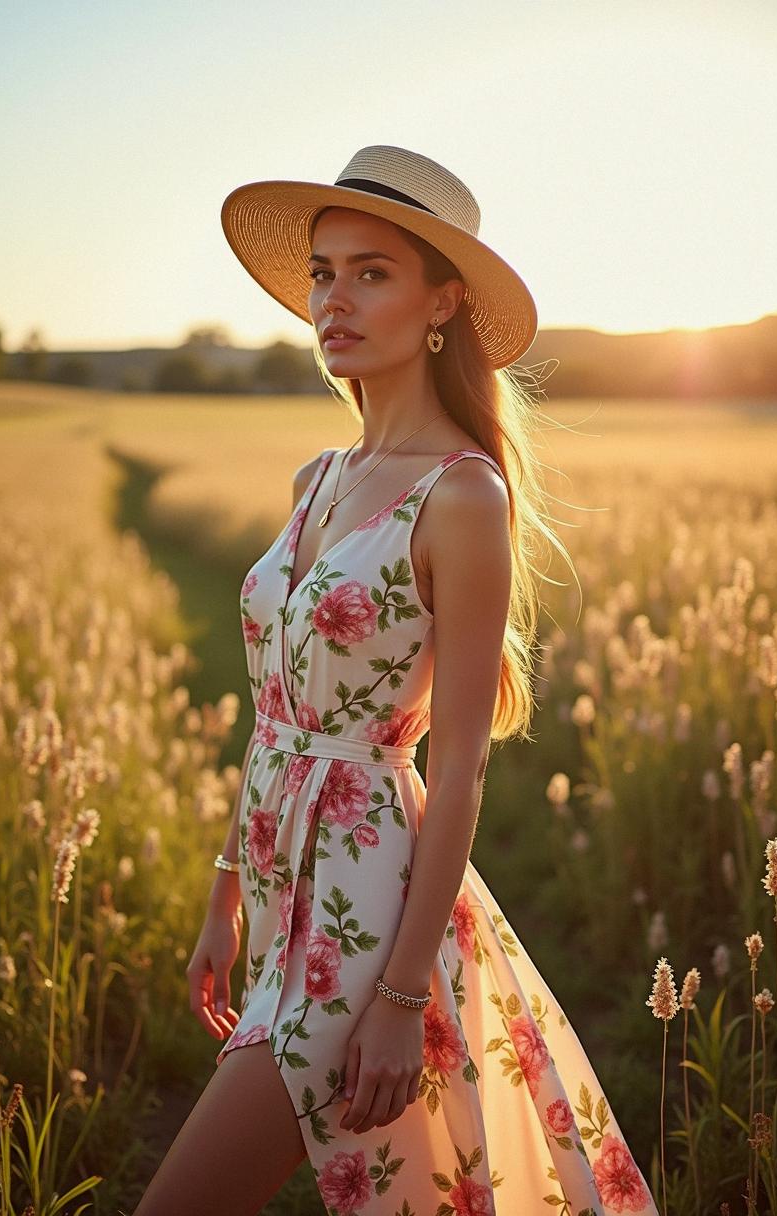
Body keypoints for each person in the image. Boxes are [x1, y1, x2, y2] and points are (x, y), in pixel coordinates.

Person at [133, 146, 659, 1216]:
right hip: (280, 888)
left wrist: (402, 997)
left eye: (371, 272)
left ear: (440, 303)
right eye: (324, 272)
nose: (334, 298)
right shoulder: (315, 475)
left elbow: (459, 761)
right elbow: (275, 717)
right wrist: (224, 896)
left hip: (365, 901)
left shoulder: (461, 494)